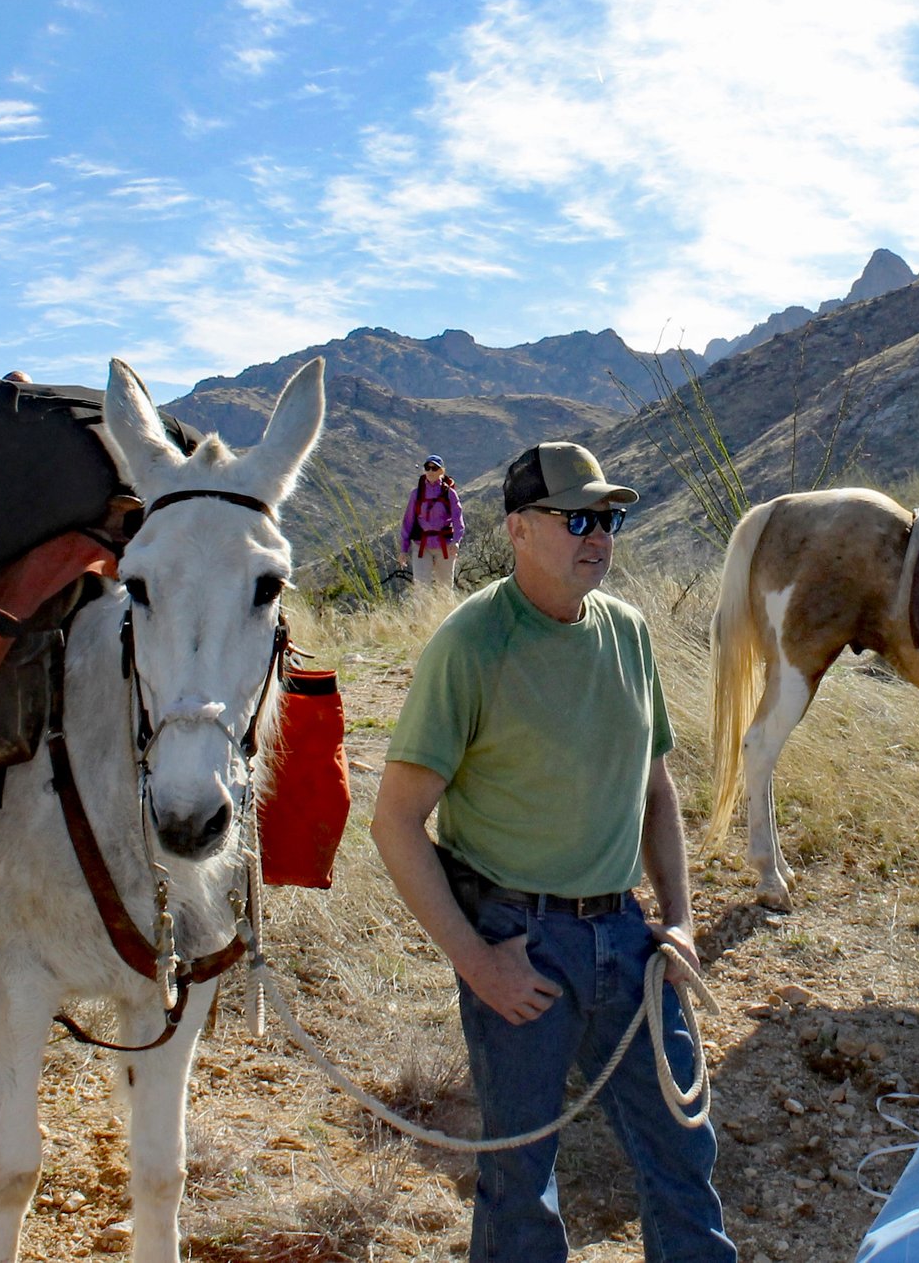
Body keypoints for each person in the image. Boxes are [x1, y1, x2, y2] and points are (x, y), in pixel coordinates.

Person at [370, 442, 736, 1263]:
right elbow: (395, 822)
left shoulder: (629, 633)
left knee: (683, 1153)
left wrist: (679, 919)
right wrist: (476, 960)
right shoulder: (471, 645)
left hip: (629, 941)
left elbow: (656, 790)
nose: (598, 536)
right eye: (578, 518)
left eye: (607, 518)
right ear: (518, 531)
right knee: (520, 1183)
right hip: (519, 943)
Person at [400, 454, 466, 597]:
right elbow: (408, 522)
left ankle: (445, 616)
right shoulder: (416, 494)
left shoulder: (450, 494)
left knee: (445, 588)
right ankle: (423, 618)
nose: (430, 471)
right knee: (421, 589)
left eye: (434, 468)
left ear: (441, 471)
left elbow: (458, 519)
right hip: (421, 546)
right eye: (427, 468)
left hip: (445, 546)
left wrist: (456, 542)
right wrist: (403, 550)